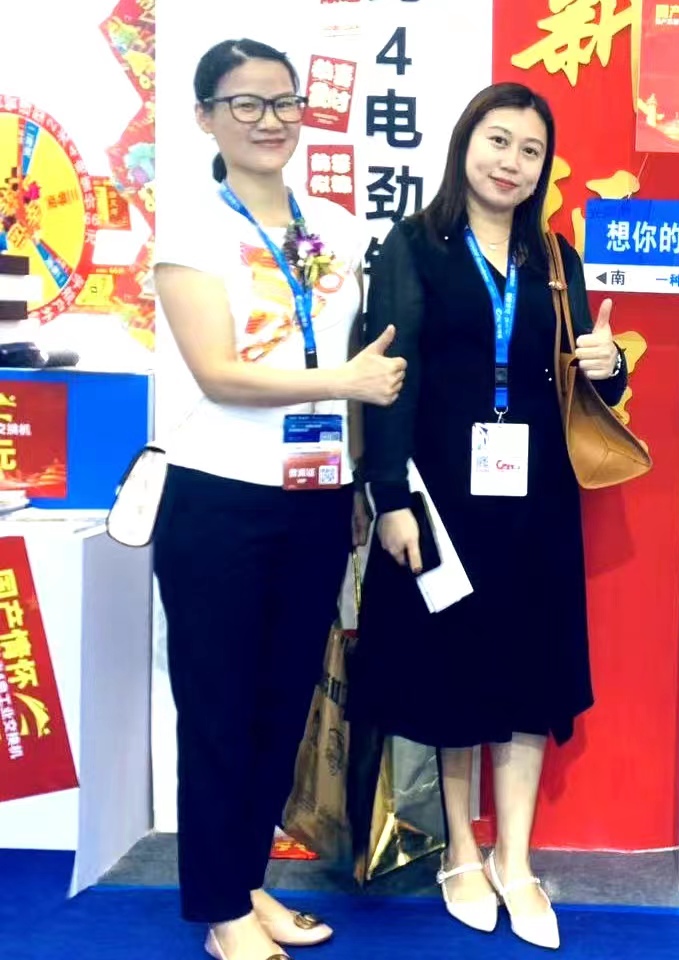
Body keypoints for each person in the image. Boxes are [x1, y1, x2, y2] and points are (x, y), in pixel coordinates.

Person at [350, 82, 628, 951]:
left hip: (536, 499)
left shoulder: (556, 257)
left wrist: (610, 362)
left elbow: (584, 376)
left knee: (529, 671)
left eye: (530, 150)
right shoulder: (413, 246)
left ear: (545, 167)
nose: (511, 162)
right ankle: (462, 853)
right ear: (466, 143)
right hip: (441, 497)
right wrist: (389, 498)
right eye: (497, 140)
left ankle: (516, 858)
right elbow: (387, 381)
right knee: (453, 669)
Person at [152, 39, 405, 960]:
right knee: (218, 710)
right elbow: (220, 374)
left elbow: (352, 356)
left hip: (315, 499)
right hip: (219, 499)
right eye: (246, 104)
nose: (271, 120)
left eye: (285, 102)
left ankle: (248, 882)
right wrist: (343, 382)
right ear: (205, 118)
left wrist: (361, 474)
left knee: (281, 705)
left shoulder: (330, 224)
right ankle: (221, 912)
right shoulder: (191, 229)